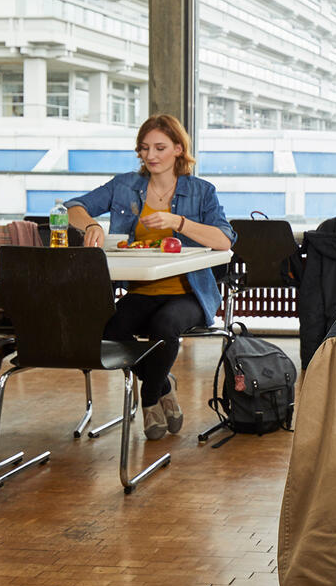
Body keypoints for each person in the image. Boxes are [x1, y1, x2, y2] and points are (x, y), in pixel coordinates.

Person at [65, 114, 235, 440]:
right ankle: (163, 383)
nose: (151, 155)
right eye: (144, 148)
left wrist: (178, 222)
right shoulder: (124, 185)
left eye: (159, 147)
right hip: (143, 290)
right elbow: (73, 206)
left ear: (178, 149)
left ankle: (148, 399)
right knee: (110, 334)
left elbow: (224, 240)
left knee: (164, 327)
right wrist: (91, 224)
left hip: (189, 292)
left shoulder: (201, 192)